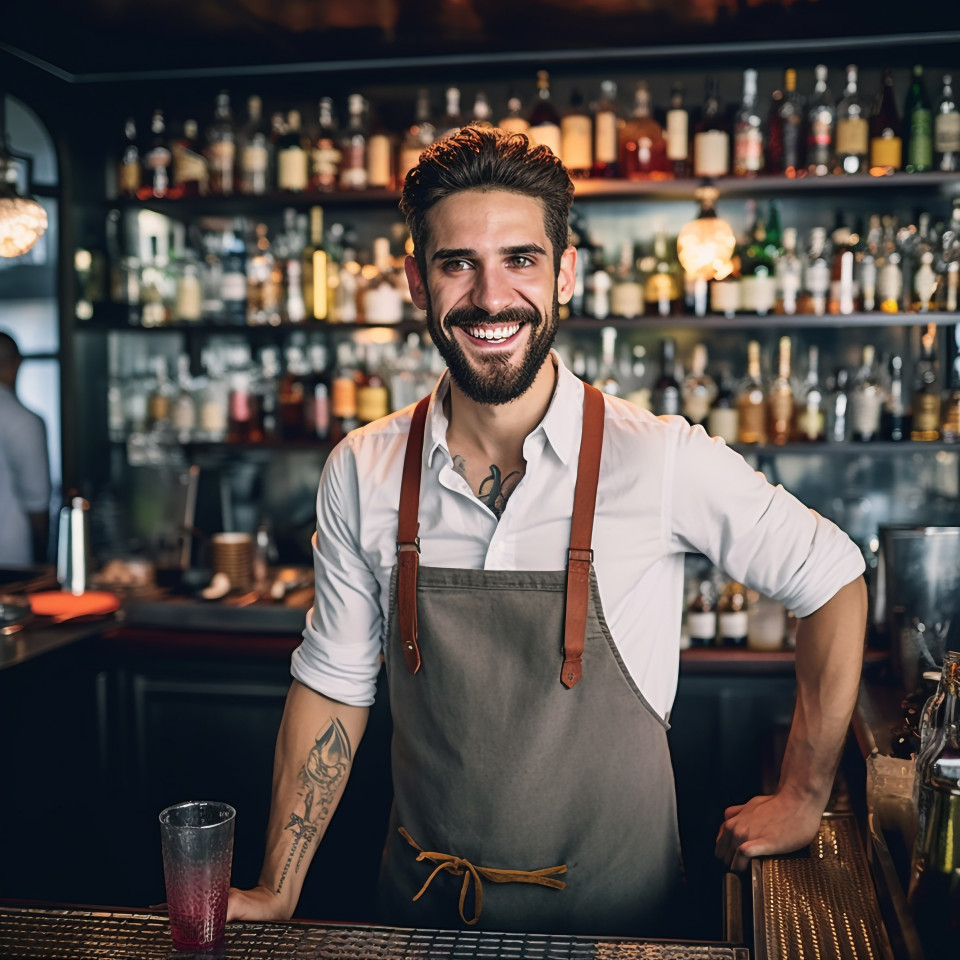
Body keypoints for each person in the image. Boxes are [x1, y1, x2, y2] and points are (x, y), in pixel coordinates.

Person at [228, 125, 867, 936]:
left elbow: (834, 577)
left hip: (620, 929)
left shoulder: (658, 457)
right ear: (418, 283)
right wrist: (277, 887)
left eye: (520, 260)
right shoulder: (364, 467)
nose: (490, 297)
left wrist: (804, 796)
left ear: (565, 274)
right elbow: (333, 683)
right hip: (422, 922)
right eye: (457, 262)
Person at [0, 330, 51, 565]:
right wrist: (44, 560)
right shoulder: (23, 421)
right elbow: (37, 501)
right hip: (11, 562)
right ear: (16, 364)